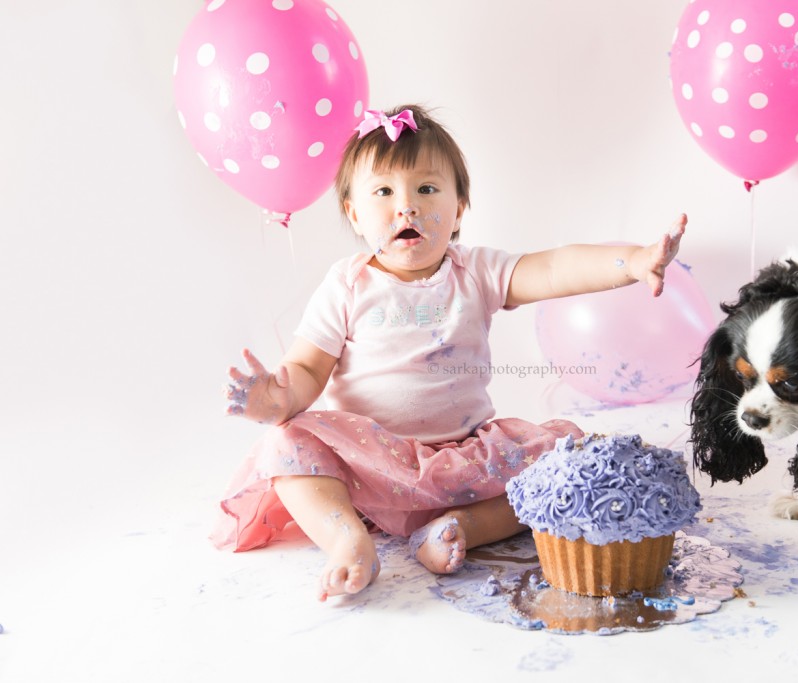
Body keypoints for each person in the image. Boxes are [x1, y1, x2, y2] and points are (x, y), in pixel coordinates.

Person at [214, 104, 686, 601]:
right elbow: (308, 367)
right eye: (383, 192)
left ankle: (457, 527)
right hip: (373, 468)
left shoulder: (475, 272)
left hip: (464, 462)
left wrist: (631, 261)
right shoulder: (346, 285)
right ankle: (347, 540)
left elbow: (552, 269)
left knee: (560, 458)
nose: (407, 206)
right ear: (353, 211)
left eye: (427, 189)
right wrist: (278, 400)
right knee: (285, 442)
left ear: (460, 207)